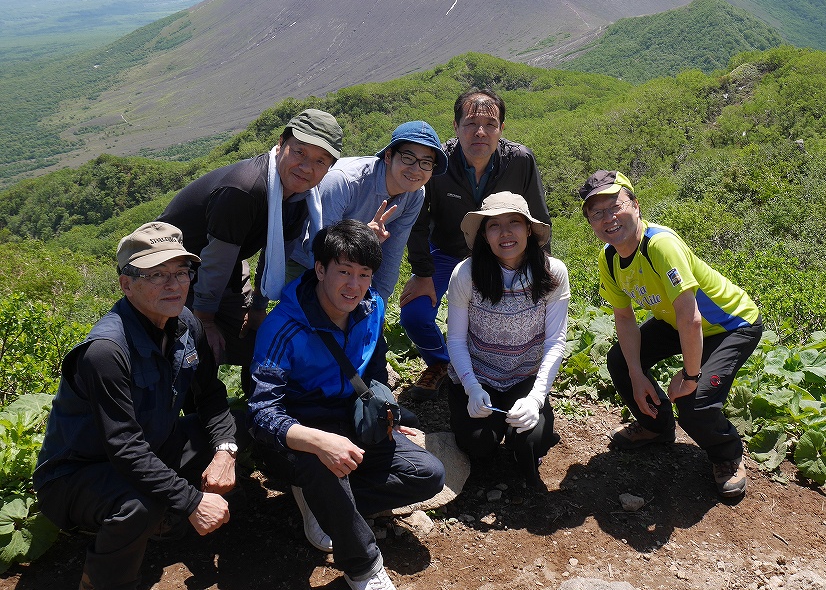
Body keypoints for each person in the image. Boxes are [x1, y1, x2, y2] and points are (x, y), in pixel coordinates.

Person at [33, 222, 242, 590]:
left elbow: (210, 395)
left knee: (239, 425)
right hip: (77, 475)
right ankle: (105, 581)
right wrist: (193, 501)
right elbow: (125, 449)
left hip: (153, 447)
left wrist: (225, 451)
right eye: (156, 275)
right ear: (126, 283)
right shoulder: (106, 351)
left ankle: (161, 520)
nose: (174, 285)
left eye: (181, 272)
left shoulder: (185, 324)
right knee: (139, 505)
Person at [249, 220, 445, 590]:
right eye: (343, 272)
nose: (353, 286)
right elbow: (261, 413)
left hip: (348, 418)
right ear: (320, 269)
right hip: (298, 426)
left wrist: (387, 414)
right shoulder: (282, 327)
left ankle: (321, 502)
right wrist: (318, 442)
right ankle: (364, 568)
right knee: (324, 467)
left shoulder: (371, 309)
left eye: (364, 274)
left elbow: (374, 369)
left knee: (428, 474)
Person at [578, 170, 764, 498]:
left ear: (635, 205)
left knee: (695, 402)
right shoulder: (609, 257)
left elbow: (691, 318)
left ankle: (728, 454)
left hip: (730, 325)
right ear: (591, 222)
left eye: (615, 206)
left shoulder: (661, 245)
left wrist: (691, 376)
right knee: (621, 360)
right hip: (675, 320)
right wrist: (636, 374)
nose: (608, 218)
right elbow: (623, 317)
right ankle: (656, 428)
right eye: (597, 213)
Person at [159, 108, 344, 374]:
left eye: (320, 161)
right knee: (195, 350)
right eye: (300, 152)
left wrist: (258, 309)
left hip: (222, 266)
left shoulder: (300, 196)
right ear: (281, 144)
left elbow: (276, 254)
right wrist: (205, 322)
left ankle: (257, 401)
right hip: (169, 267)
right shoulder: (245, 190)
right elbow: (216, 261)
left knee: (261, 343)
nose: (306, 168)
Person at [399, 88, 550, 399]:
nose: (480, 132)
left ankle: (519, 367)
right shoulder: (437, 164)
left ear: (501, 130)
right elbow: (417, 219)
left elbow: (538, 215)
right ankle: (442, 363)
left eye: (490, 125)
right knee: (414, 315)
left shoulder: (519, 161)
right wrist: (423, 273)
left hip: (505, 255)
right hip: (446, 251)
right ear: (455, 127)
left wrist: (541, 269)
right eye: (470, 124)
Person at [446, 192, 569, 492]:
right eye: (494, 225)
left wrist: (536, 398)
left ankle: (522, 427)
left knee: (531, 442)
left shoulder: (553, 273)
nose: (505, 233)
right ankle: (480, 417)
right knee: (478, 445)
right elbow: (456, 339)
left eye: (514, 223)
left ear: (528, 229)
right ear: (484, 235)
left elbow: (556, 340)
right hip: (478, 375)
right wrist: (471, 387)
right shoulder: (466, 274)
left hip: (524, 377)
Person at [290, 120, 448, 302]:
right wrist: (362, 239)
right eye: (408, 158)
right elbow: (319, 249)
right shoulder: (344, 182)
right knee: (306, 321)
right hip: (304, 261)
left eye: (426, 163)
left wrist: (378, 307)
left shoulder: (415, 194)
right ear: (388, 156)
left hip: (350, 269)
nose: (415, 169)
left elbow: (392, 254)